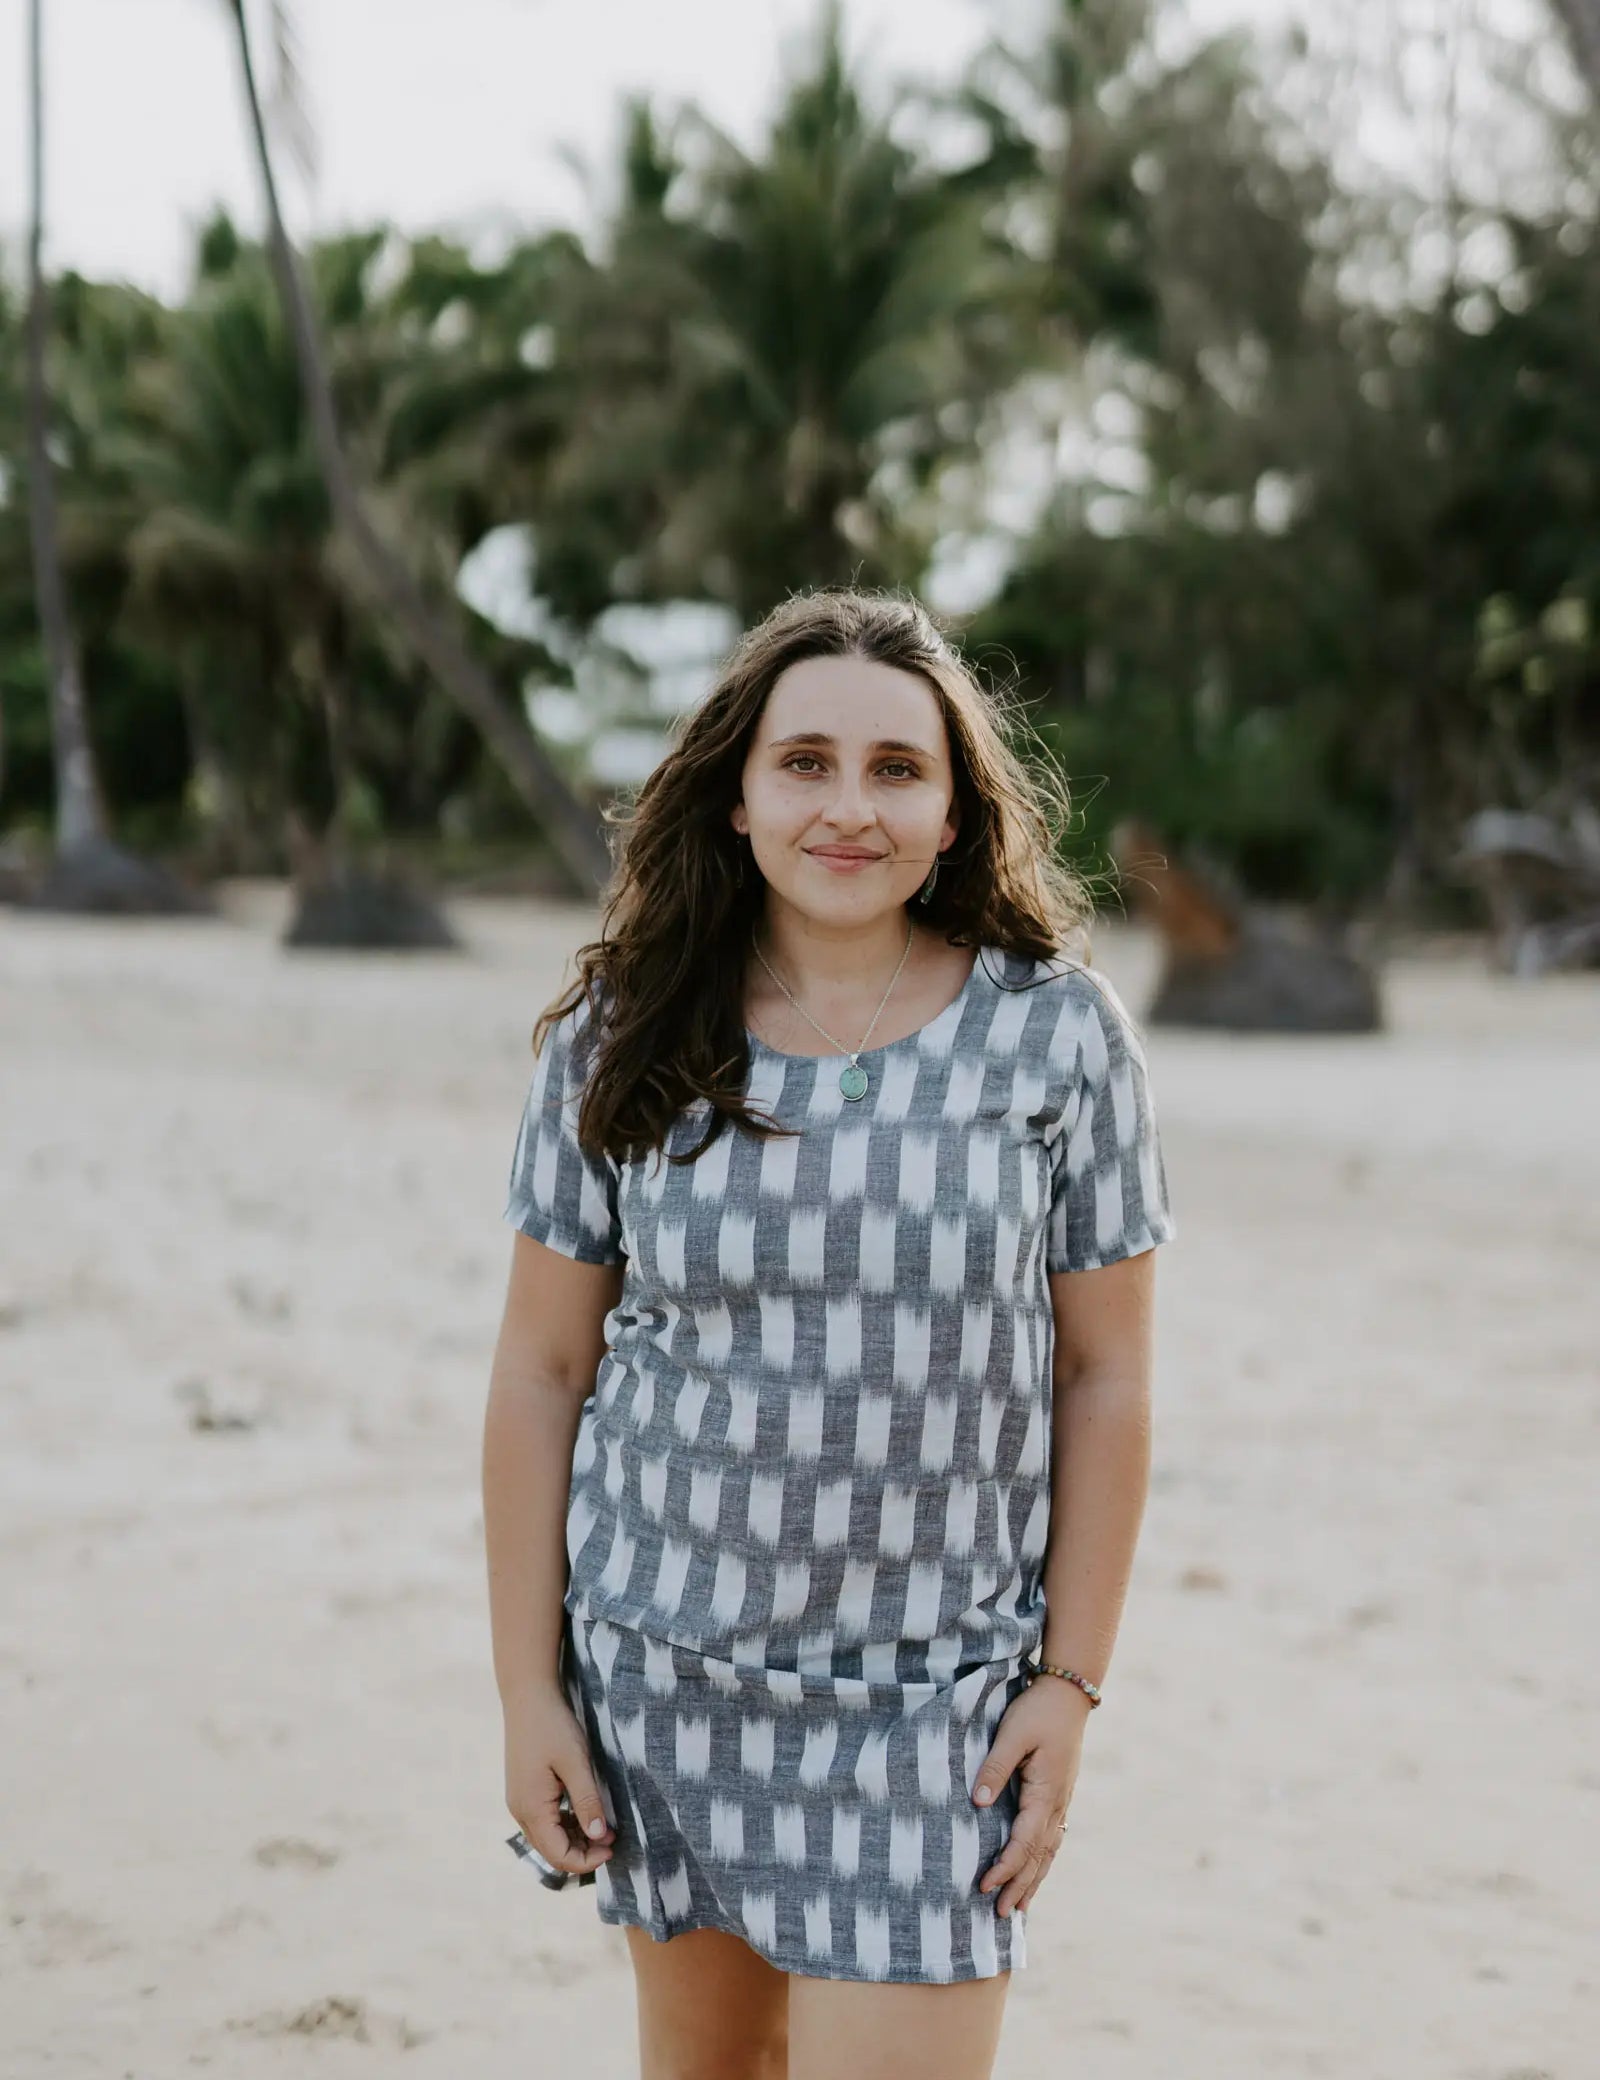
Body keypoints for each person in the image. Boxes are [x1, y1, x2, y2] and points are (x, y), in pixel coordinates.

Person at [482, 587, 1176, 2080]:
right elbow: (543, 1372)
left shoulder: (1056, 1038)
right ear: (735, 798)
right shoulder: (630, 1029)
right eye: (804, 763)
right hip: (666, 1676)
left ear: (952, 811)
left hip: (938, 1708)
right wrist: (528, 1689)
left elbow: (1107, 1375)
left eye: (895, 769)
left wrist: (1071, 1685)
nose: (847, 806)